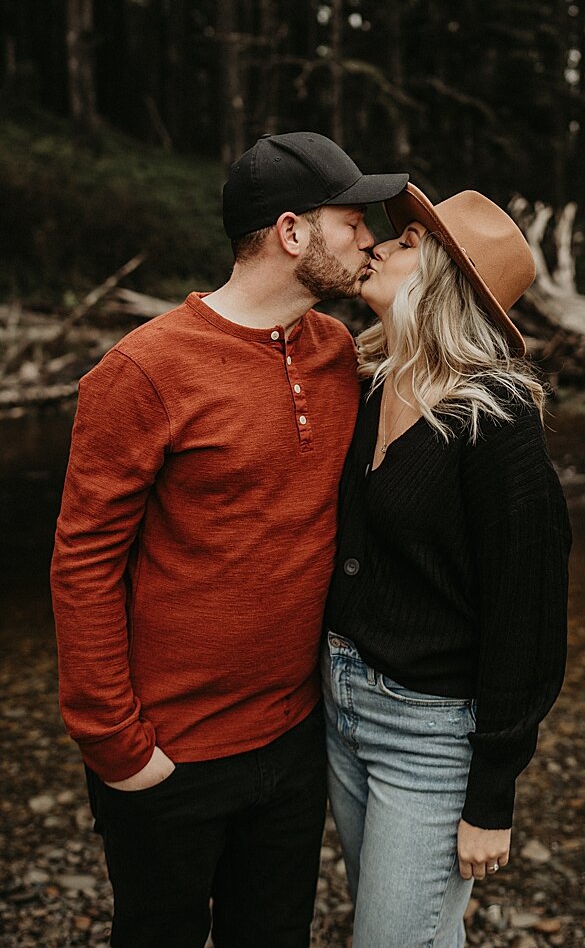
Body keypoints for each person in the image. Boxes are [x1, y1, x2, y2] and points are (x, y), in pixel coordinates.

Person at [50, 132, 407, 948]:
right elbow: (83, 564)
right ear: (292, 232)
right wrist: (118, 746)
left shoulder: (336, 351)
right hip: (170, 752)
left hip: (293, 742)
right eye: (352, 220)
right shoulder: (142, 371)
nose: (369, 238)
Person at [323, 183, 573, 948]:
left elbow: (527, 616)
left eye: (403, 244)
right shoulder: (372, 384)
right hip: (340, 705)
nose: (378, 246)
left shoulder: (496, 420)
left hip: (429, 734)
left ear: (441, 278)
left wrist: (492, 794)